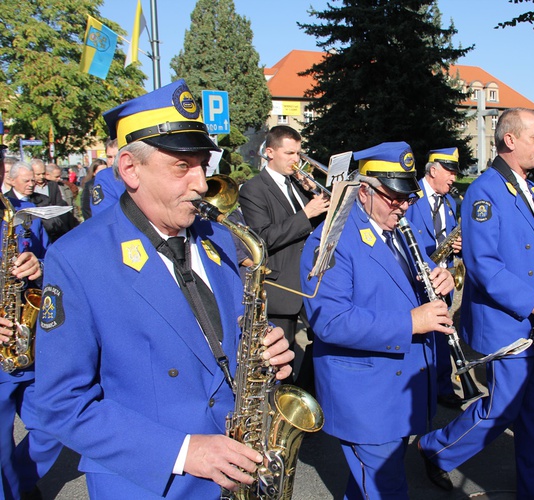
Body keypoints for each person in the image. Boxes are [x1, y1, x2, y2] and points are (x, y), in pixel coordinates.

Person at [33, 79, 294, 499]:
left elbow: (223, 337)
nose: (201, 182)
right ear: (130, 169)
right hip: (149, 482)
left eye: (202, 164)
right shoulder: (78, 258)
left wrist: (262, 348)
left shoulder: (219, 236)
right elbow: (59, 404)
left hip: (236, 465)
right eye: (181, 166)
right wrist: (183, 450)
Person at [418, 109, 534, 498]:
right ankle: (434, 448)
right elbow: (483, 265)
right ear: (510, 140)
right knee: (502, 410)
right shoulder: (485, 191)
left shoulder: (530, 188)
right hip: (509, 321)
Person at [300, 141, 455, 499]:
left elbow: (420, 280)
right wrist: (409, 322)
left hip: (398, 393)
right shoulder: (331, 239)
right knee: (386, 489)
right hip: (367, 399)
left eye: (408, 197)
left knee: (368, 487)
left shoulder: (400, 229)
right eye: (394, 196)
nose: (403, 205)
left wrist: (442, 280)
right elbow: (330, 320)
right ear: (364, 191)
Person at [238, 125, 329, 390]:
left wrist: (314, 193)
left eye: (298, 153)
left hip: (310, 279)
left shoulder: (298, 185)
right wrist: (305, 215)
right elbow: (262, 239)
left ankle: (306, 393)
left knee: (324, 338)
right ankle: (282, 408)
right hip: (281, 284)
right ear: (269, 153)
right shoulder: (253, 189)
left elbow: (322, 221)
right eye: (289, 153)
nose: (296, 160)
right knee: (281, 356)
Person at [0, 162, 60, 499]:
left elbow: (54, 260)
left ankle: (17, 484)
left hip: (26, 344)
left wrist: (40, 268)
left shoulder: (22, 214)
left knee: (56, 425)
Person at [405, 147, 464, 408]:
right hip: (419, 276)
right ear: (433, 170)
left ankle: (441, 386)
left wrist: (459, 244)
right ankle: (417, 384)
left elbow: (450, 235)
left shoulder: (450, 202)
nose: (453, 178)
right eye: (450, 172)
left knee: (442, 332)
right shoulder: (410, 197)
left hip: (443, 277)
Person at [30, 159, 77, 241]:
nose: (41, 176)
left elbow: (58, 204)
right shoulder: (29, 187)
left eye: (43, 173)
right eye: (38, 174)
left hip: (54, 227)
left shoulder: (53, 185)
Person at [90, 138, 126, 217]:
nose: (112, 162)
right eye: (109, 157)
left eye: (116, 157)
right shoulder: (105, 177)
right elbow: (103, 215)